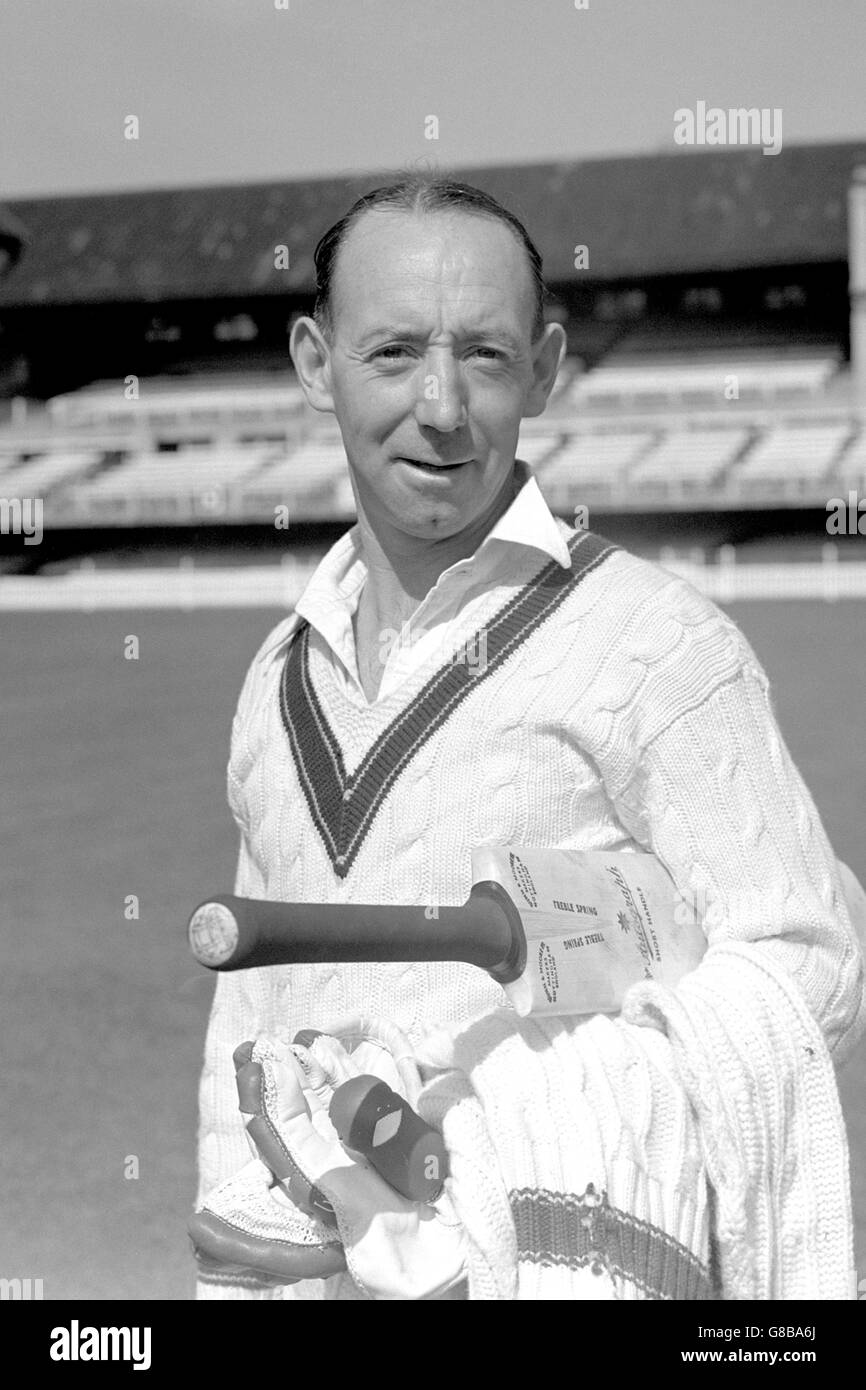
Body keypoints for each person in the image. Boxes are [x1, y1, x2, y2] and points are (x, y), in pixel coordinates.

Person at [195, 176, 865, 1300]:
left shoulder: (655, 643)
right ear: (316, 362)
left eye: (487, 356)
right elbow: (248, 1029)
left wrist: (520, 1141)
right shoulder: (277, 679)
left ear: (546, 369)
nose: (442, 405)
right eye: (395, 351)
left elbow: (812, 966)